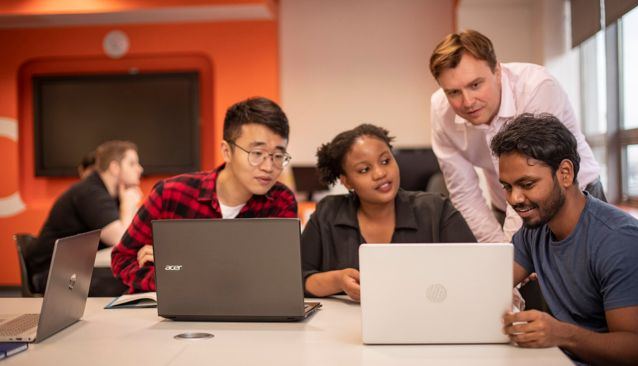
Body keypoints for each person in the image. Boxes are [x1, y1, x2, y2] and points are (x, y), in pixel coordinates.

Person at [490, 113, 638, 365]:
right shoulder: (535, 229)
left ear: (565, 173)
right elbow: (492, 281)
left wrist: (562, 334)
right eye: (508, 187)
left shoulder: (620, 241)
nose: (515, 199)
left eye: (527, 184)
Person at [429, 29, 605, 243]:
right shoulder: (440, 110)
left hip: (572, 202)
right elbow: (464, 193)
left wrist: (511, 252)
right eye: (453, 92)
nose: (467, 102)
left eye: (475, 85)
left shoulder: (537, 88)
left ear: (497, 72)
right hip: (507, 208)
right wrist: (499, 252)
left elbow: (531, 175)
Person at [111, 97, 297, 293]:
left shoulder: (281, 201)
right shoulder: (171, 194)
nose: (269, 167)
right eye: (257, 153)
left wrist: (179, 267)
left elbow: (274, 275)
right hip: (173, 316)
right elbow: (122, 259)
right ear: (227, 151)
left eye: (278, 156)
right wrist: (166, 278)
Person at [301, 124, 475, 301]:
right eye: (364, 170)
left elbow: (474, 269)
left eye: (385, 161)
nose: (380, 173)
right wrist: (338, 281)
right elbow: (299, 278)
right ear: (347, 182)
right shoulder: (328, 213)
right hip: (343, 324)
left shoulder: (436, 209)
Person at [30, 140, 143, 293]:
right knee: (133, 279)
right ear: (115, 168)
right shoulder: (90, 192)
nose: (140, 169)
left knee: (139, 274)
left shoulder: (109, 194)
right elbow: (121, 241)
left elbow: (137, 239)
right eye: (132, 163)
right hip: (51, 274)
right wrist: (127, 208)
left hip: (73, 269)